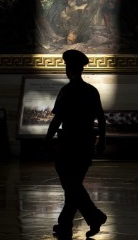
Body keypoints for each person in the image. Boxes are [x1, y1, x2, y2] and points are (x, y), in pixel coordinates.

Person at [45, 49, 107, 239]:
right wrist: (102, 140)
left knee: (71, 184)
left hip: (70, 143)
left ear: (69, 69)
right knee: (74, 184)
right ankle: (66, 224)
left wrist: (47, 139)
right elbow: (101, 118)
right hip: (86, 143)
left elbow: (58, 118)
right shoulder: (91, 91)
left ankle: (94, 216)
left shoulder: (67, 90)